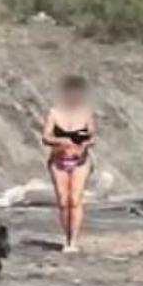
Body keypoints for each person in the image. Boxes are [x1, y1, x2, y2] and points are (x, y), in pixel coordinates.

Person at [41, 75, 97, 253]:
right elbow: (46, 136)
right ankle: (66, 236)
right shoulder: (54, 113)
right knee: (64, 201)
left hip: (80, 161)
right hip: (59, 160)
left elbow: (93, 136)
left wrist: (84, 144)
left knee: (75, 199)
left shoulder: (86, 113)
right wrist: (62, 141)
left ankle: (73, 240)